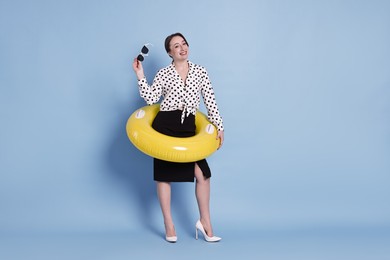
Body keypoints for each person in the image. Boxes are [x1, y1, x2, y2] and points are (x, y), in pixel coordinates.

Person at [132, 32, 224, 243]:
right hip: (166, 124)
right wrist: (140, 75)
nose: (182, 48)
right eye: (176, 46)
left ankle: (205, 222)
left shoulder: (201, 72)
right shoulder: (164, 73)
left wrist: (219, 125)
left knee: (203, 174)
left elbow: (210, 101)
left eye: (184, 43)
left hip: (189, 126)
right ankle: (168, 223)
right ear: (169, 52)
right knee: (164, 175)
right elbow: (151, 99)